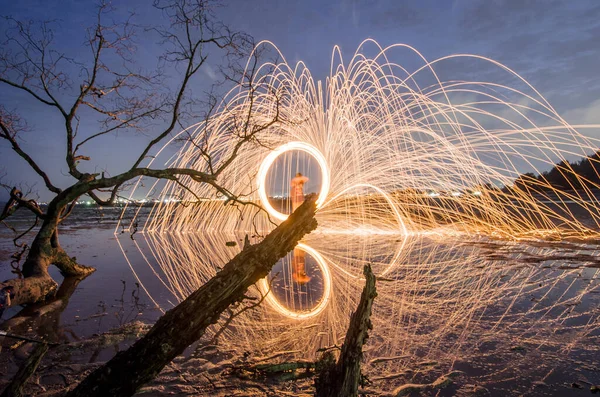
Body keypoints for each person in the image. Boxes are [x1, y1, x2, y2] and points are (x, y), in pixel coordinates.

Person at [290, 172, 311, 284]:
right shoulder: (294, 189)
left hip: (299, 204)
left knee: (300, 252)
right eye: (300, 183)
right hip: (297, 206)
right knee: (299, 252)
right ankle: (299, 235)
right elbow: (296, 203)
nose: (301, 185)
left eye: (301, 184)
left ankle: (300, 236)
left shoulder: (298, 190)